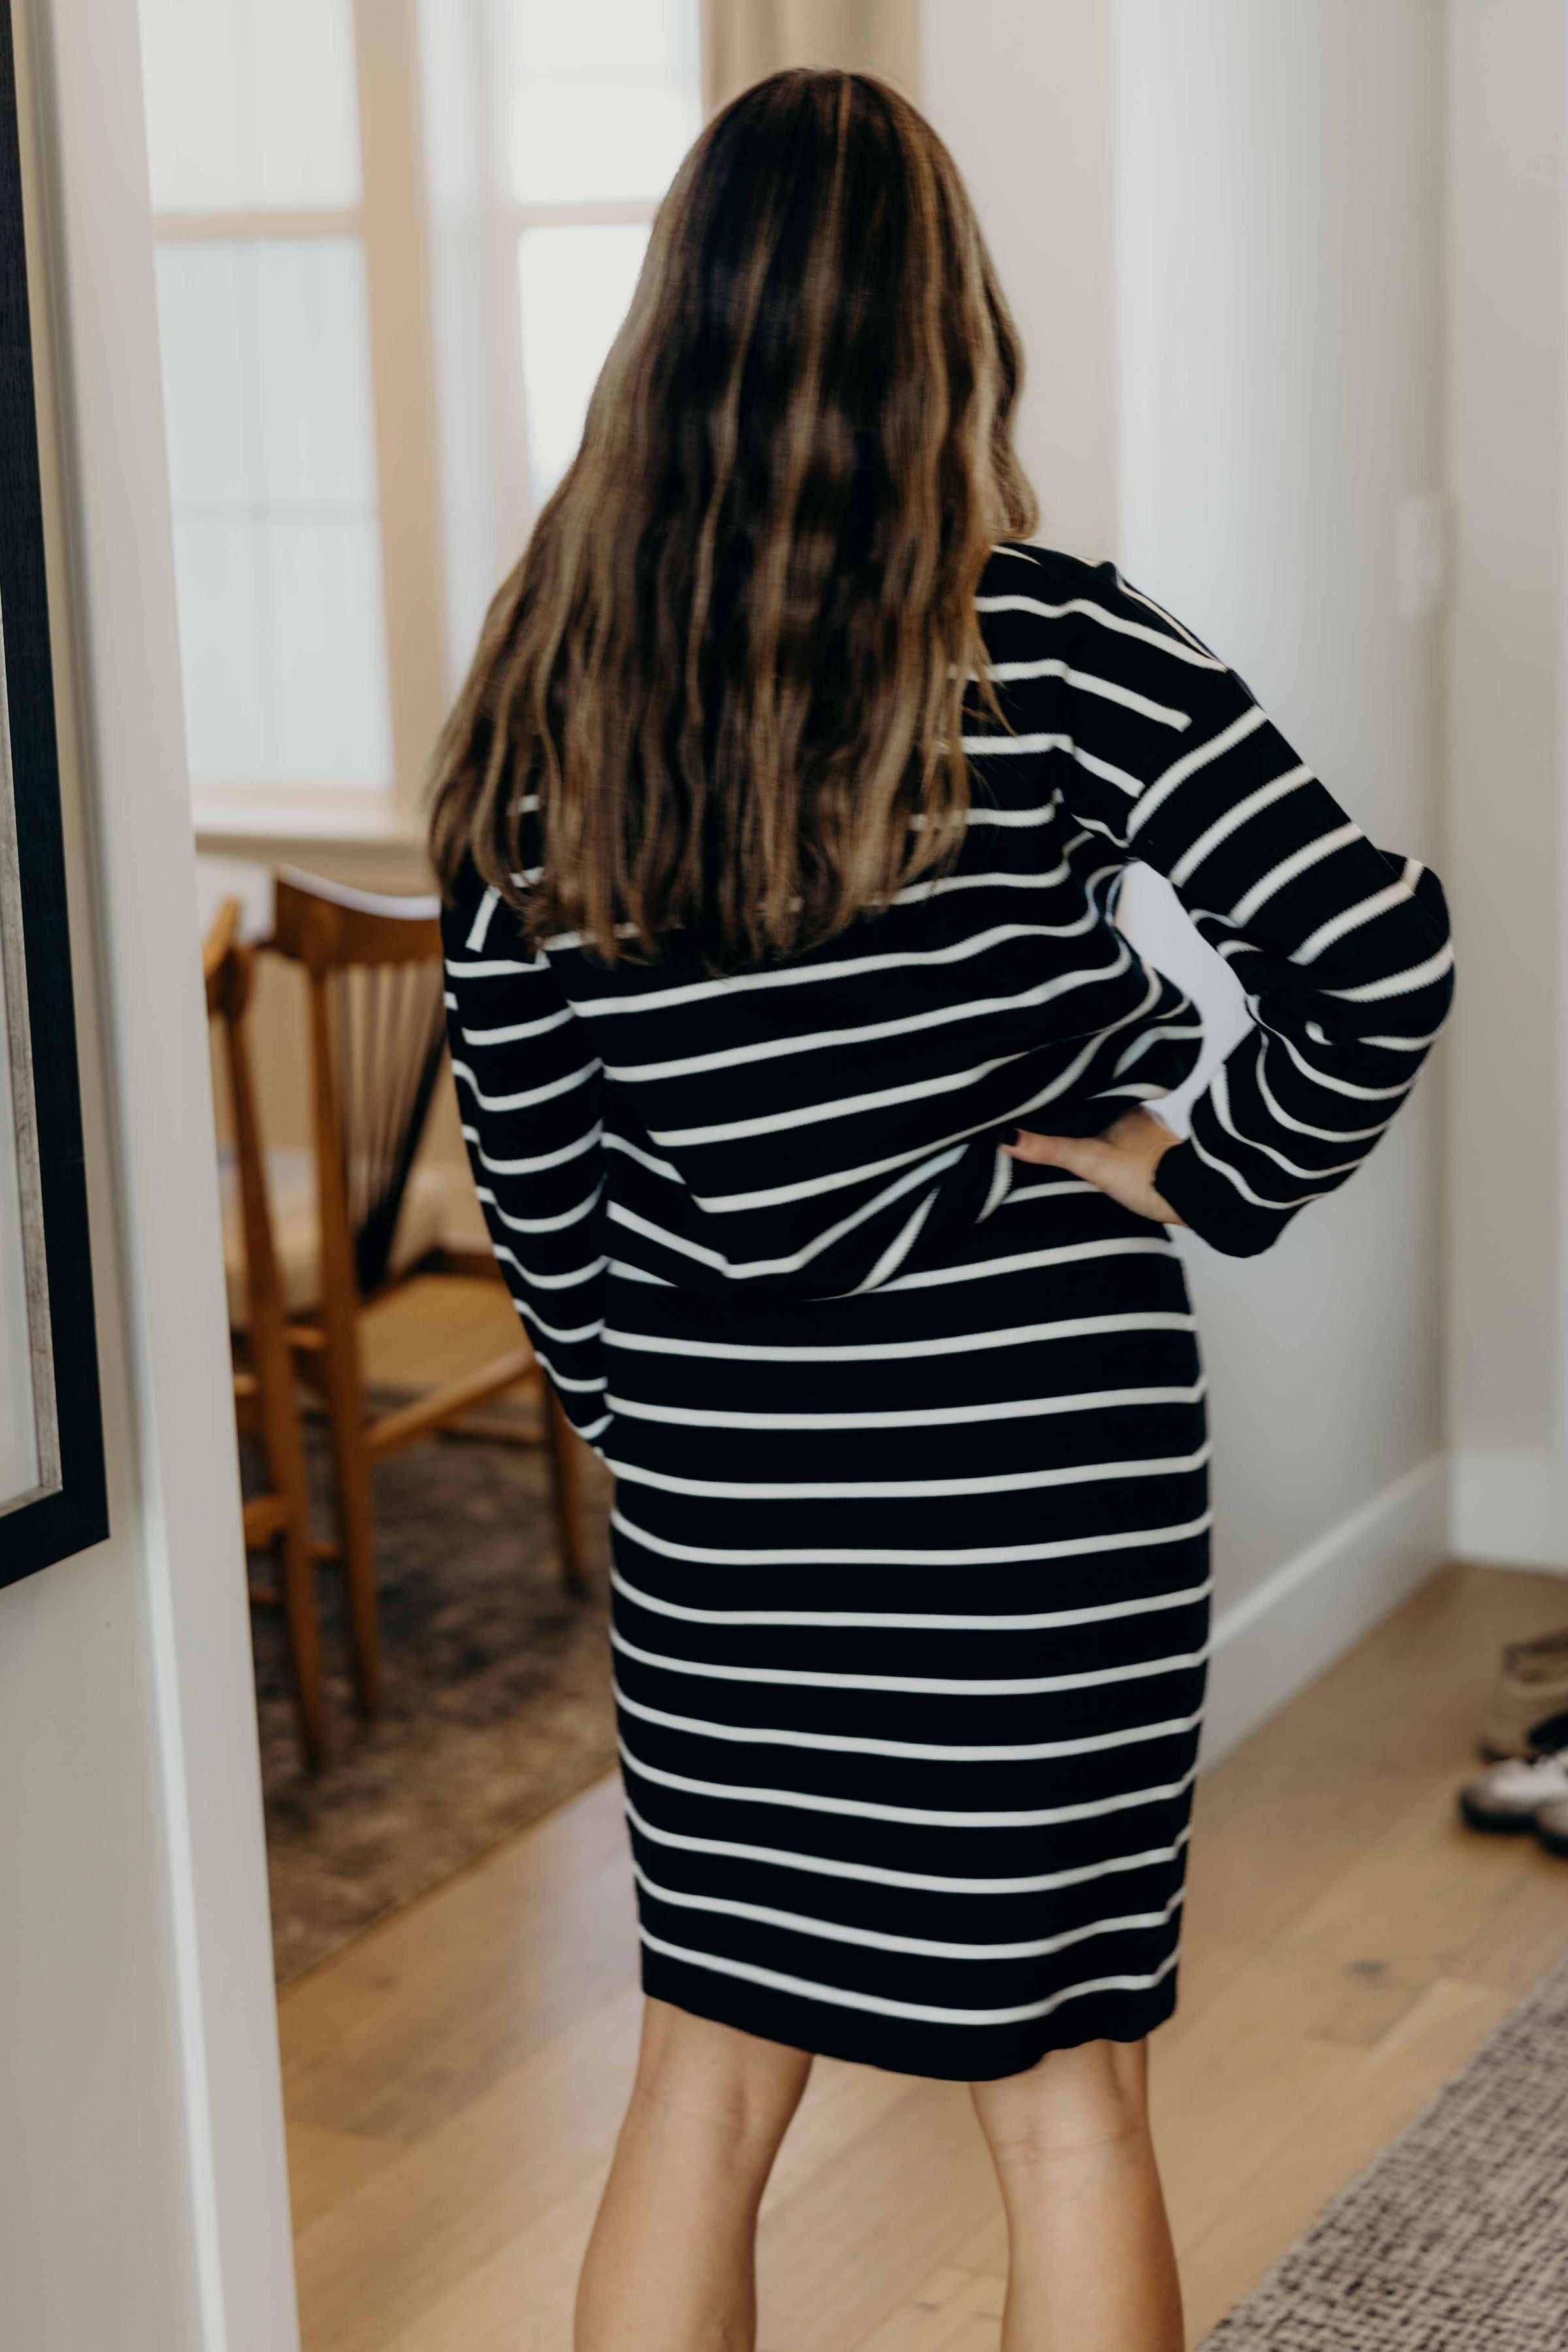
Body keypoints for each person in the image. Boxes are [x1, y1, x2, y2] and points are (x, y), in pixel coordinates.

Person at [427, 69, 1453, 2352]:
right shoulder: (1058, 649)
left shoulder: (536, 708)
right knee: (1066, 2100)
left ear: (665, 334)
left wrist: (674, 1410)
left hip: (726, 1494)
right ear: (943, 335)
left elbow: (543, 1199)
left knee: (699, 2080)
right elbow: (1375, 956)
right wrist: (1201, 1171)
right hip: (1034, 1477)